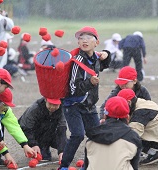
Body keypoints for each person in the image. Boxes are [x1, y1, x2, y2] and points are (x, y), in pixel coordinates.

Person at [58, 26, 111, 169]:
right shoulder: (78, 61)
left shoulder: (96, 58)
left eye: (88, 38)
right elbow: (73, 88)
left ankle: (88, 165)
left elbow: (105, 63)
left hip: (89, 105)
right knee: (78, 135)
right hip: (73, 105)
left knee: (96, 136)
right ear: (78, 43)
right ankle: (63, 166)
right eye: (81, 38)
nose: (84, 41)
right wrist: (89, 83)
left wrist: (107, 53)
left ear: (96, 43)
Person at [118, 89, 158, 166]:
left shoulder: (140, 113)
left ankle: (153, 153)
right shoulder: (142, 102)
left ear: (128, 102)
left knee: (130, 137)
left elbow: (133, 136)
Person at [84, 96, 142, 170]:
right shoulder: (133, 137)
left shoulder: (92, 137)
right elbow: (134, 166)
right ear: (127, 117)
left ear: (105, 116)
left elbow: (86, 165)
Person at [18, 97, 67, 162]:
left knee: (68, 147)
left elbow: (62, 130)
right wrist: (33, 144)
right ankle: (42, 146)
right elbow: (25, 128)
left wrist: (62, 150)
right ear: (45, 100)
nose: (52, 107)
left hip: (49, 133)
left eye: (55, 105)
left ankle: (45, 146)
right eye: (50, 104)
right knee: (44, 157)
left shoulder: (62, 109)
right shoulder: (35, 108)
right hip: (34, 133)